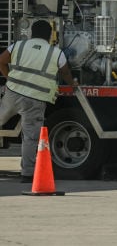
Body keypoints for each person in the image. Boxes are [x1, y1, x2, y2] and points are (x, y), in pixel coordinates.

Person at [0, 20, 76, 182]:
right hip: (34, 99)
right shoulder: (56, 53)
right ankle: (27, 174)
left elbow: (1, 61)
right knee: (30, 137)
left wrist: (9, 78)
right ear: (50, 35)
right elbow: (65, 73)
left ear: (31, 33)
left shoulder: (17, 46)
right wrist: (73, 84)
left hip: (12, 94)